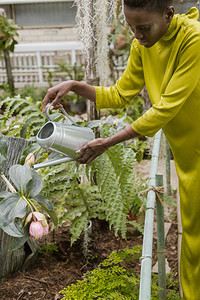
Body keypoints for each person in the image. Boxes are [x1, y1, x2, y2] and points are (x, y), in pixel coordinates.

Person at [42, 0, 200, 298]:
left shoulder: (193, 39)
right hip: (189, 154)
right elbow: (119, 94)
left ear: (169, 14)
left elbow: (166, 107)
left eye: (144, 27)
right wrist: (76, 85)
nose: (138, 36)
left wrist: (109, 142)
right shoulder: (143, 45)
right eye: (132, 28)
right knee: (192, 238)